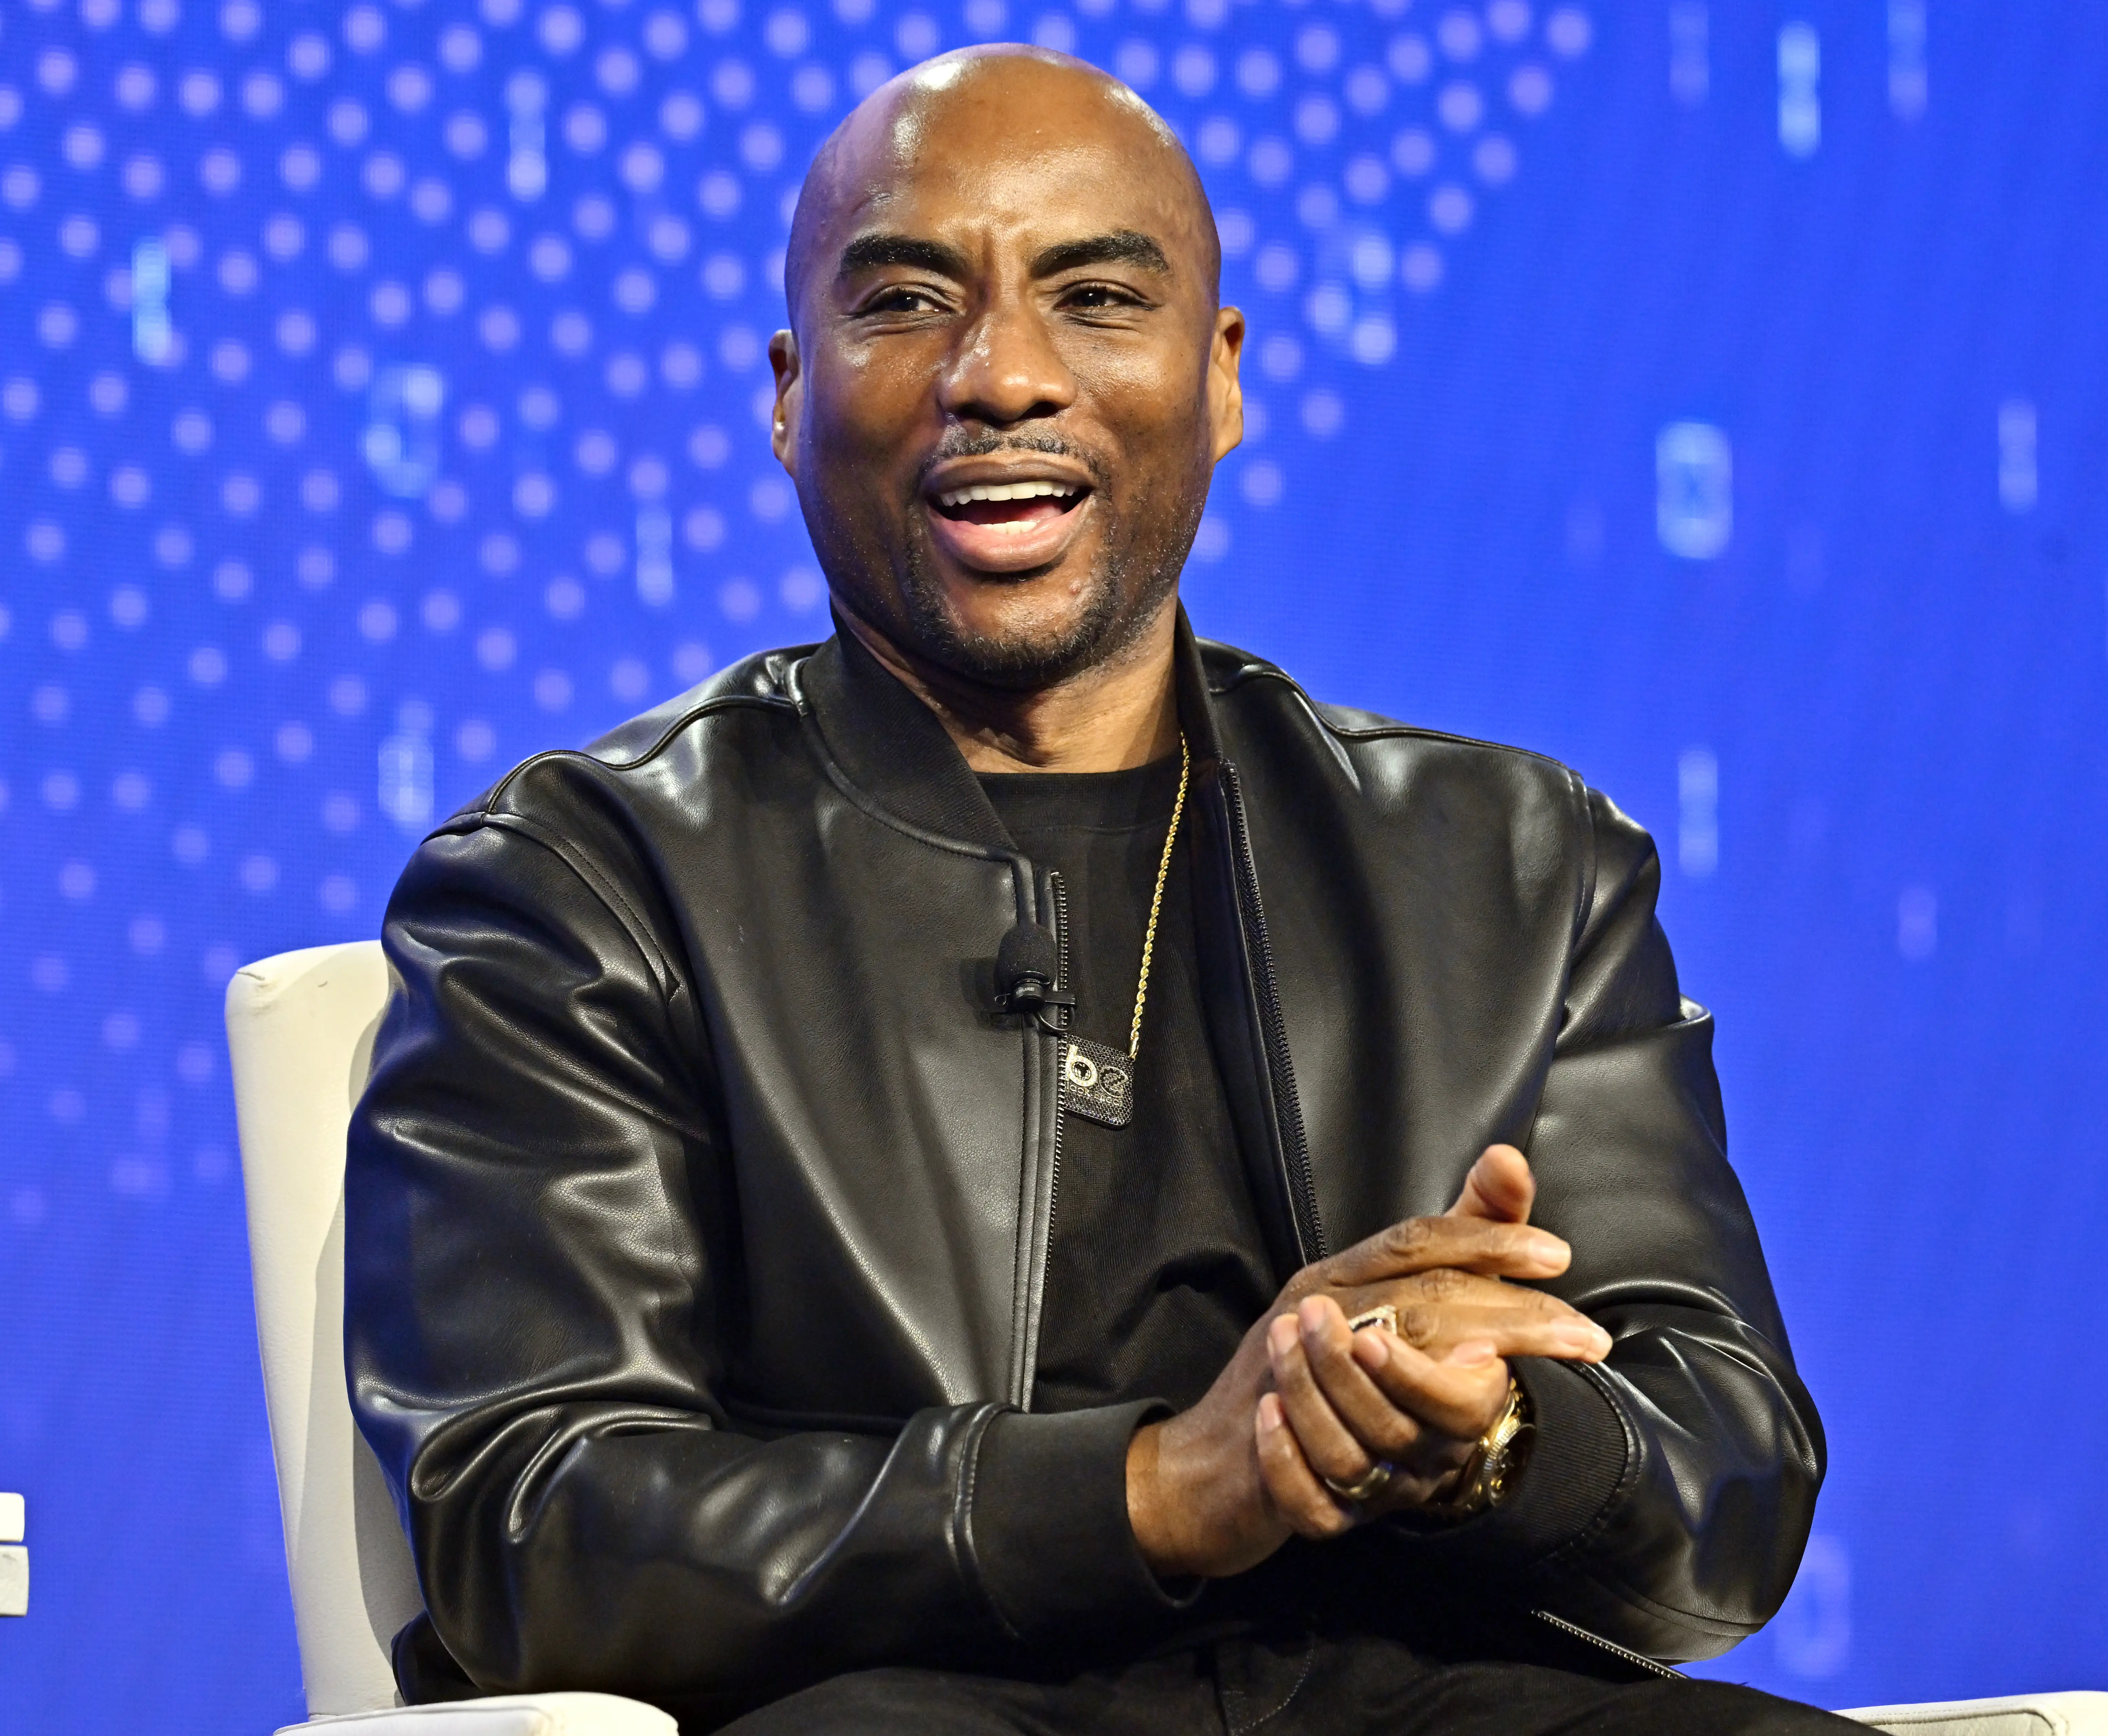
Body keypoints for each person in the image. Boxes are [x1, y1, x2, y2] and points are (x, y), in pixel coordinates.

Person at [347, 46, 1847, 1736]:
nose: (999, 375)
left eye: (1096, 295)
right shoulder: (584, 882)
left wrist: (1480, 1434)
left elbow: (1724, 1465)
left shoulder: (1512, 861)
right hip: (896, 1700)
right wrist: (1152, 1487)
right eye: (907, 299)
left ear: (1218, 379)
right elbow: (538, 1519)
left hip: (1422, 1686)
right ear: (787, 393)